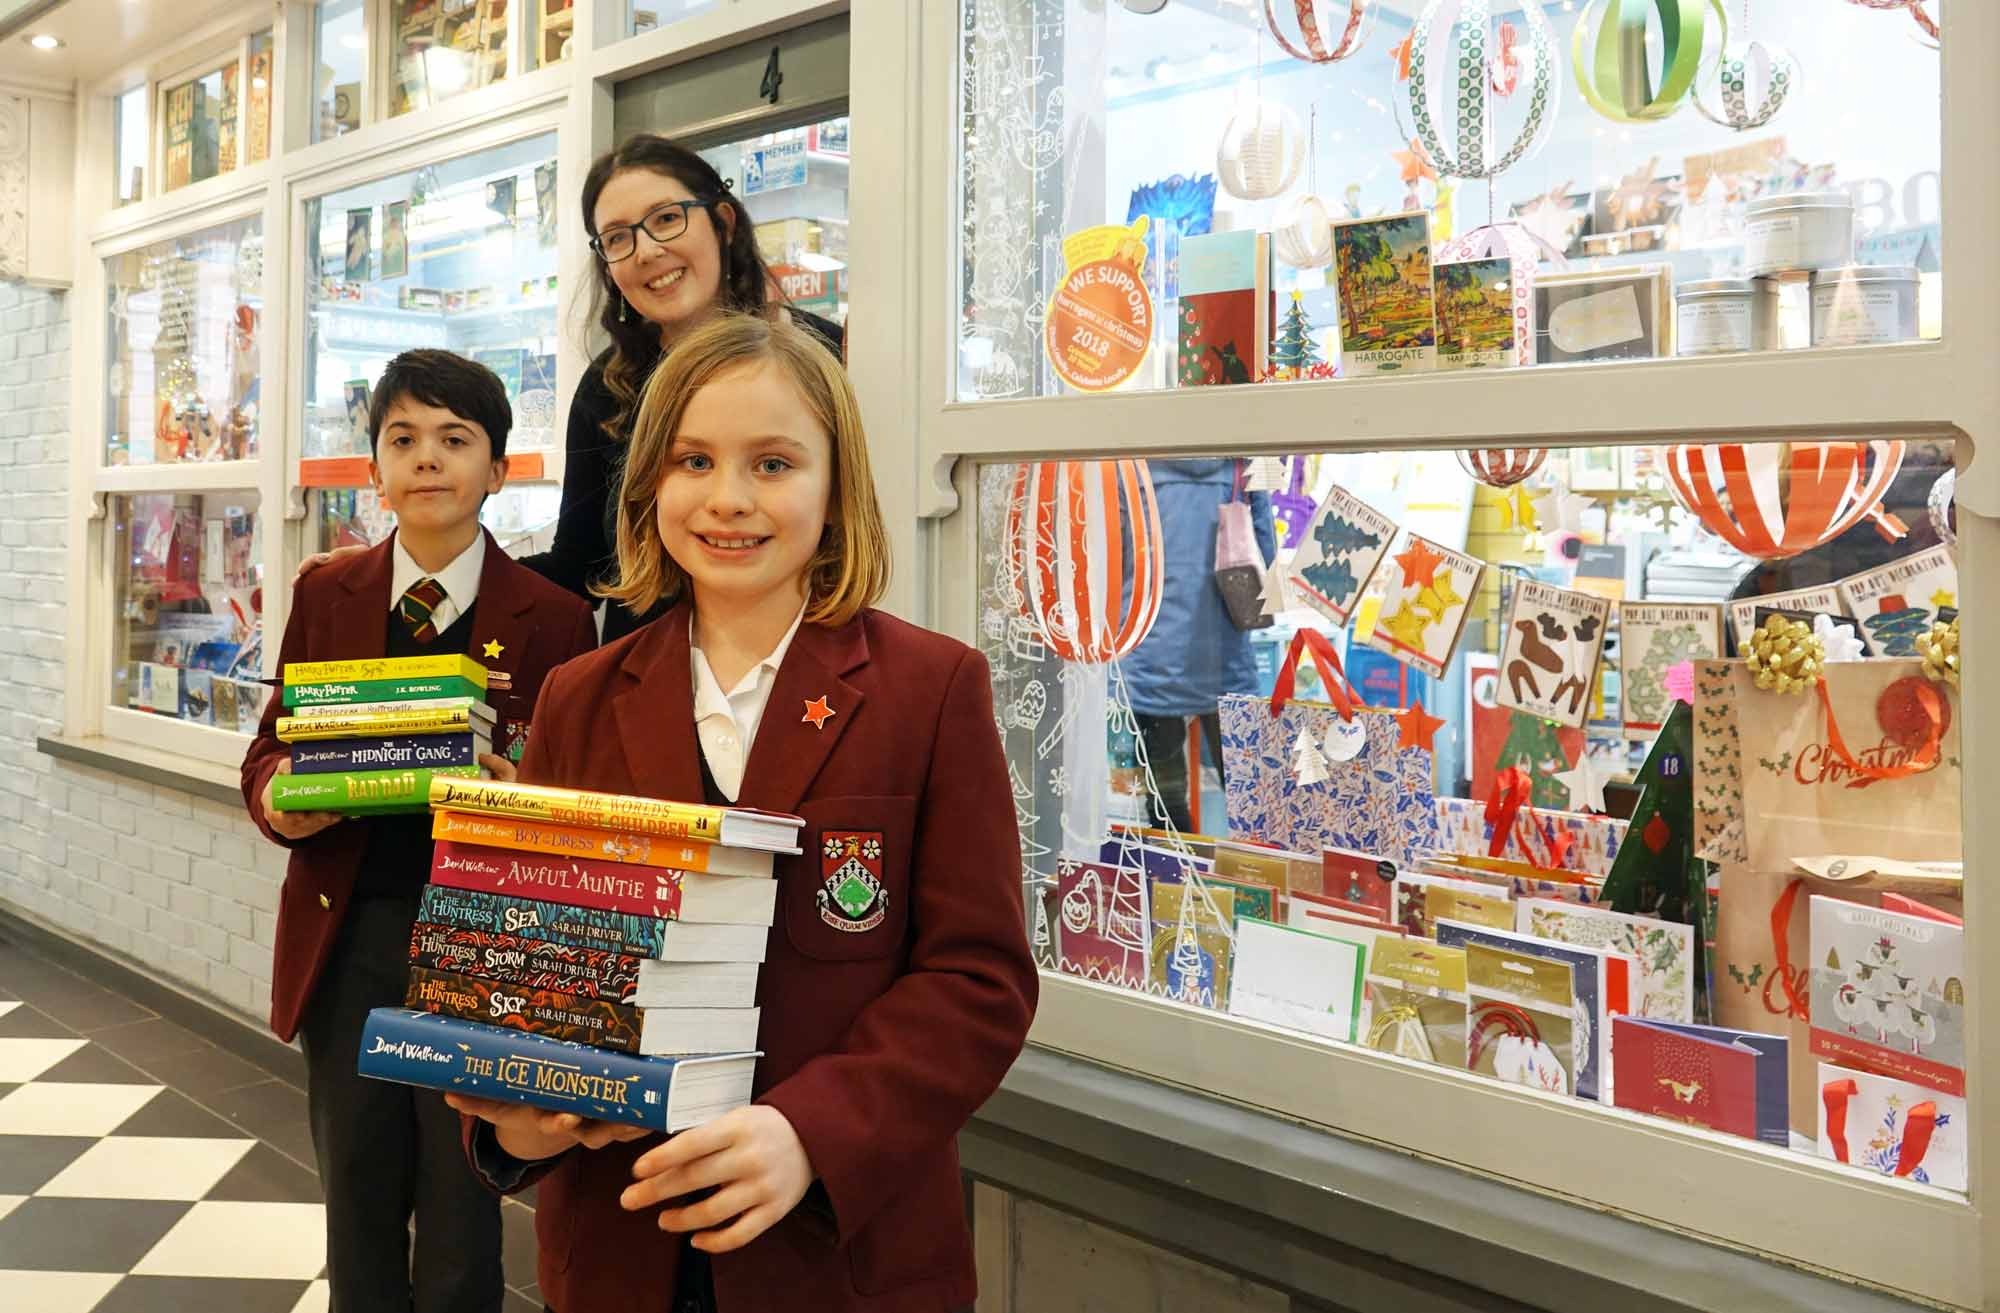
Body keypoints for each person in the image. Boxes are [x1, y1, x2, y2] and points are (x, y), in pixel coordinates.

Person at [444, 314, 1037, 1313]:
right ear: (648, 485)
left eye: (771, 462)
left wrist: (812, 1129)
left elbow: (975, 978)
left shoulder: (930, 690)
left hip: (837, 1251)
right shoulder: (578, 699)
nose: (728, 498)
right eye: (693, 460)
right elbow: (526, 968)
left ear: (835, 487)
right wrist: (516, 1120)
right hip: (623, 1243)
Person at [240, 350, 598, 1313]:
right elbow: (269, 752)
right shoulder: (326, 594)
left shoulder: (558, 618)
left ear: (499, 467)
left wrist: (527, 799)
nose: (428, 460)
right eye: (403, 439)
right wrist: (282, 799)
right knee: (354, 1191)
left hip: (479, 944)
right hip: (348, 932)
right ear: (374, 470)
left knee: (461, 1204)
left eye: (455, 439)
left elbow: (583, 798)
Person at [296, 135, 844, 642]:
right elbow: (576, 565)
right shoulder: (609, 388)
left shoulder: (823, 359)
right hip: (649, 682)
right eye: (618, 238)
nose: (647, 250)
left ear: (723, 223)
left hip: (805, 668)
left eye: (667, 219)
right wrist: (395, 567)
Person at [1122, 458, 1276, 833]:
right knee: (1249, 797)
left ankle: (1178, 884)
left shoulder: (1130, 469)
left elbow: (1115, 555)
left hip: (1151, 658)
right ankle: (1249, 880)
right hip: (1226, 659)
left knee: (1165, 797)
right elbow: (1266, 555)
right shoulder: (1243, 465)